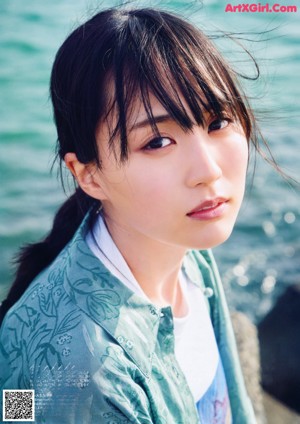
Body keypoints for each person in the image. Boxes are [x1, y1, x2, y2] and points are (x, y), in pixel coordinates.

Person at [0, 6, 261, 423]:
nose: (209, 171)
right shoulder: (87, 374)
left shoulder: (183, 247)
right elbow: (24, 405)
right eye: (157, 141)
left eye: (218, 121)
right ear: (88, 176)